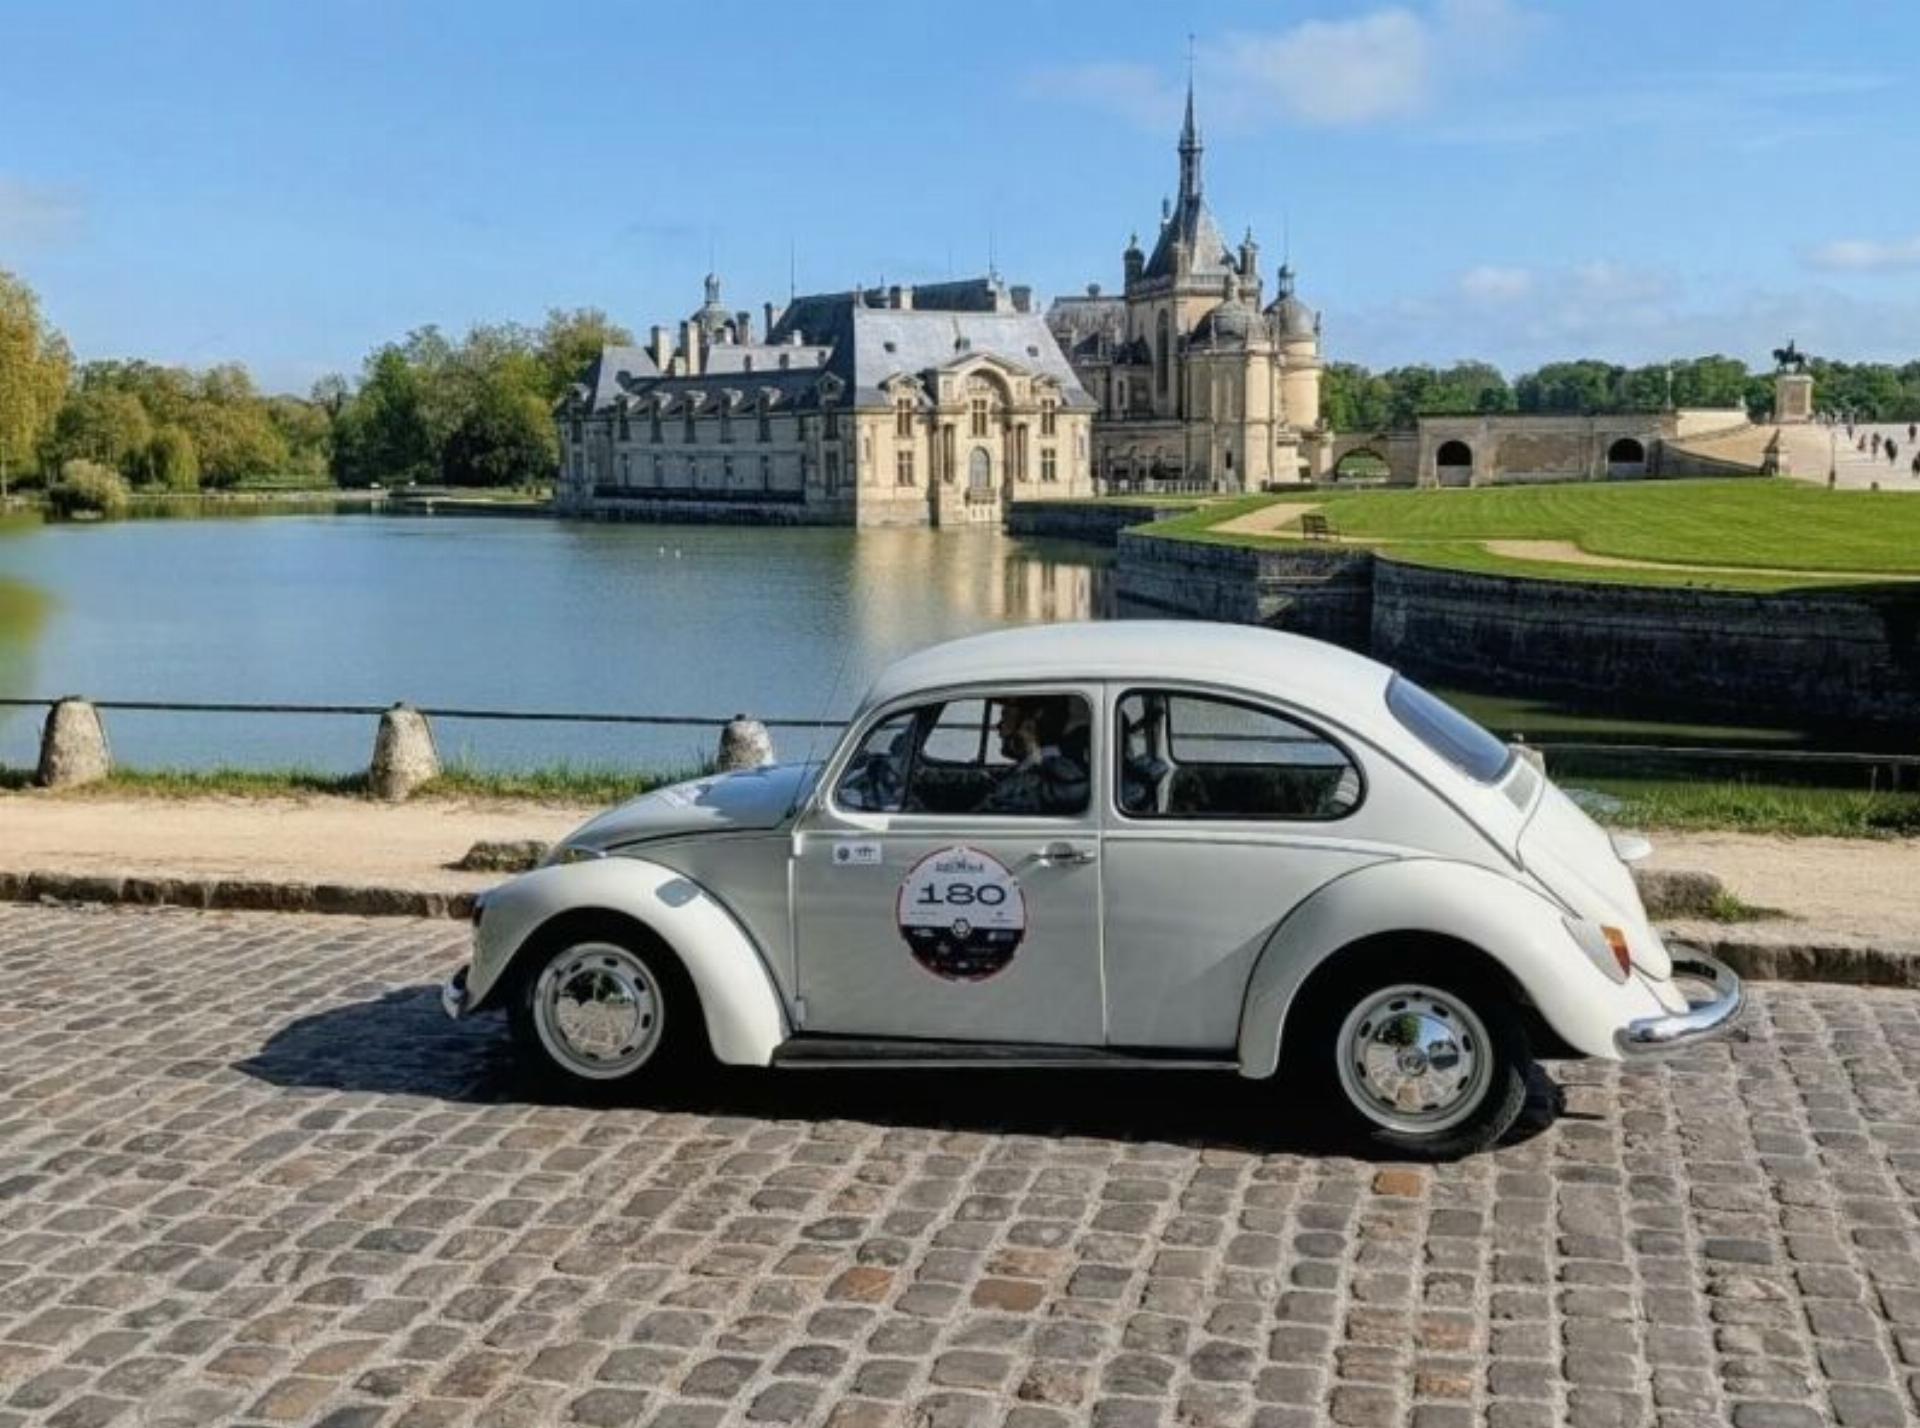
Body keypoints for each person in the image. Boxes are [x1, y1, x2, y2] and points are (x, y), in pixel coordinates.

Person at [977, 697, 1089, 815]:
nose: (999, 725)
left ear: (1031, 721)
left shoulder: (1061, 773)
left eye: (1005, 715)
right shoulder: (1035, 763)